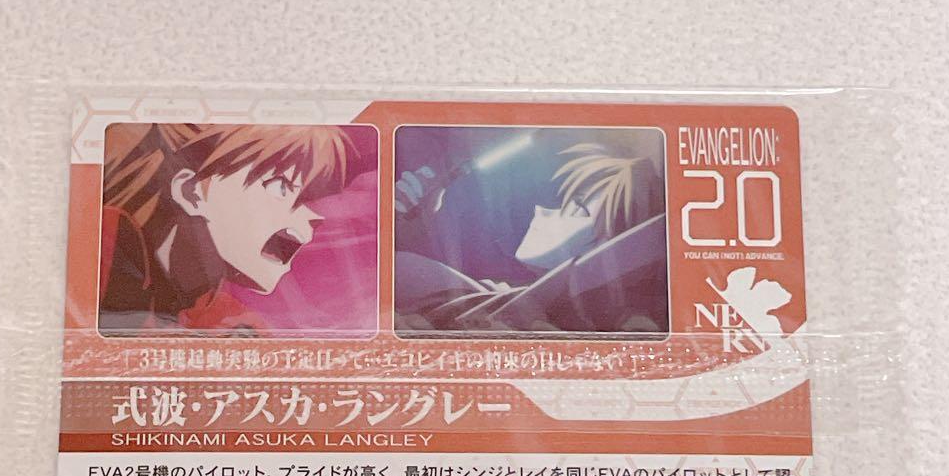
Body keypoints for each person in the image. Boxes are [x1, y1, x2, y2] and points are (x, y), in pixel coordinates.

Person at [99, 122, 356, 333]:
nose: (314, 216)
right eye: (280, 186)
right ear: (191, 193)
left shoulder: (238, 324)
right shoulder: (106, 249)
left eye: (308, 198)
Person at [394, 141, 668, 335]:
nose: (542, 210)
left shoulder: (535, 301)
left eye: (578, 209)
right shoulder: (497, 293)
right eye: (560, 202)